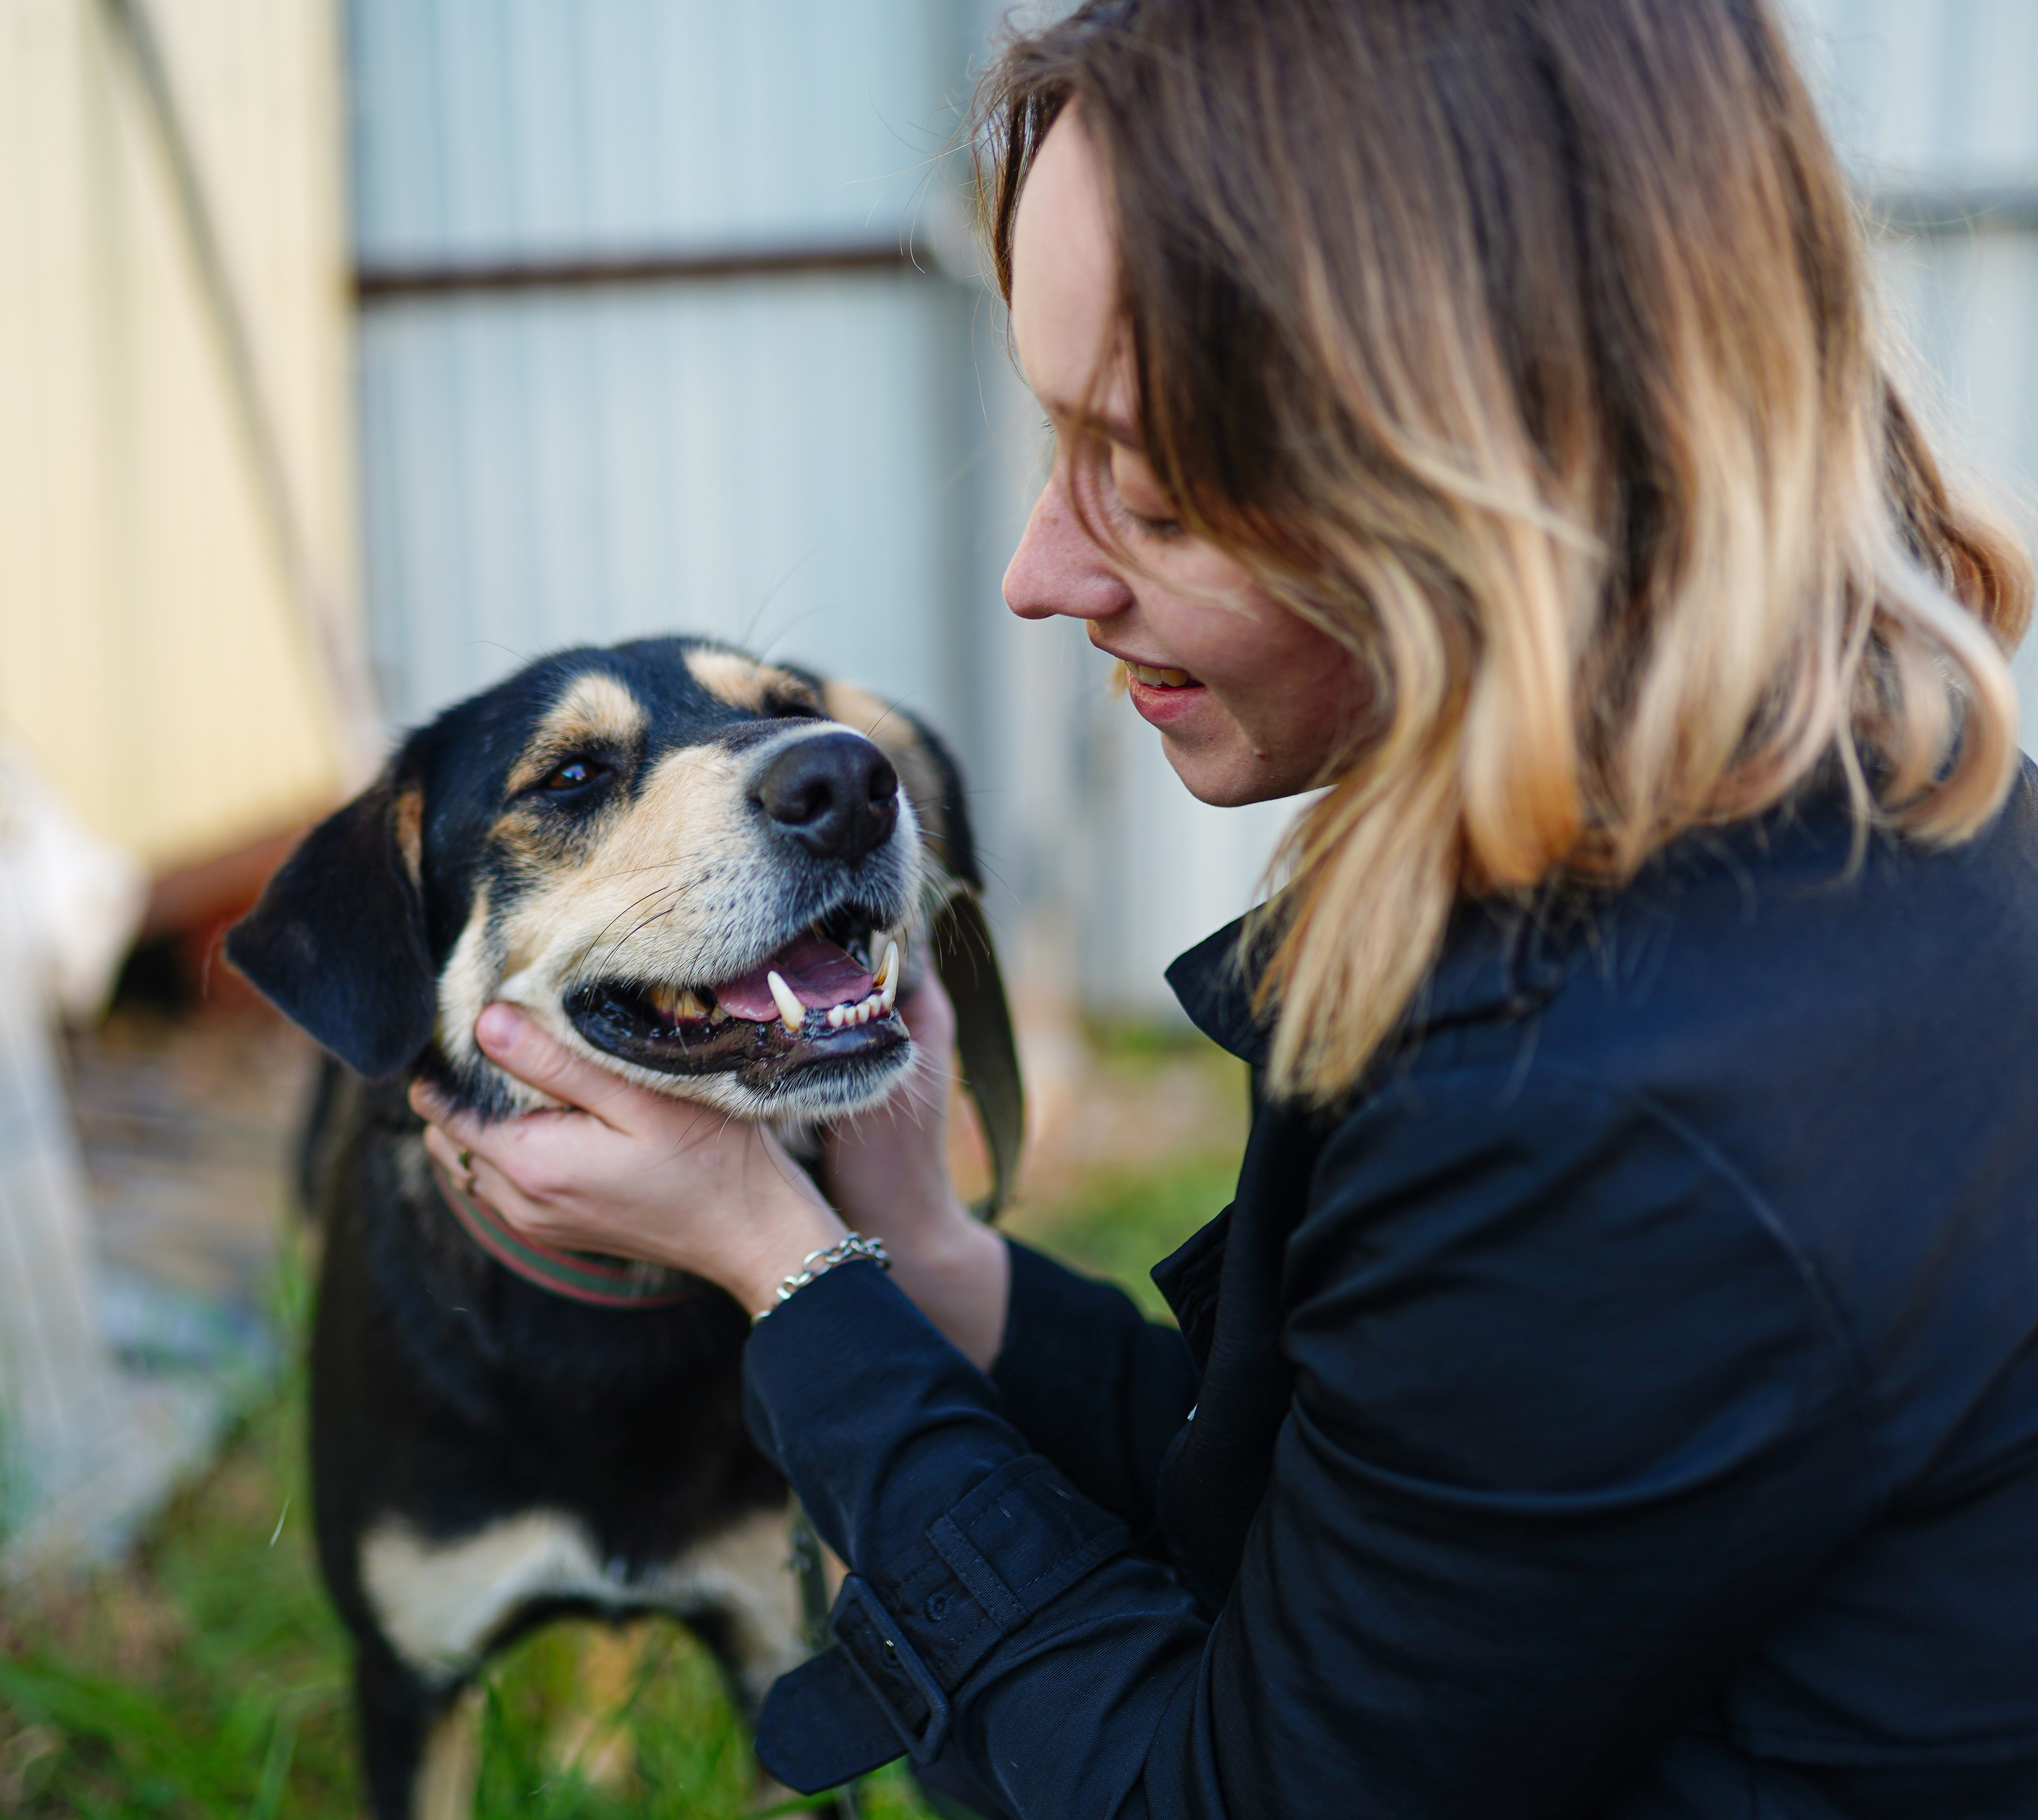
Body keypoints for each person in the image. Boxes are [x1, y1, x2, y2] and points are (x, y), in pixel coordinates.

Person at [409, 1, 2038, 1812]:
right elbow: (1328, 1523)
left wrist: (778, 1268)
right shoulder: (1769, 832)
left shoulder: (1622, 1106)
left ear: (1487, 457)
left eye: (1156, 484)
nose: (1041, 569)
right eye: (1055, 438)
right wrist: (924, 1264)